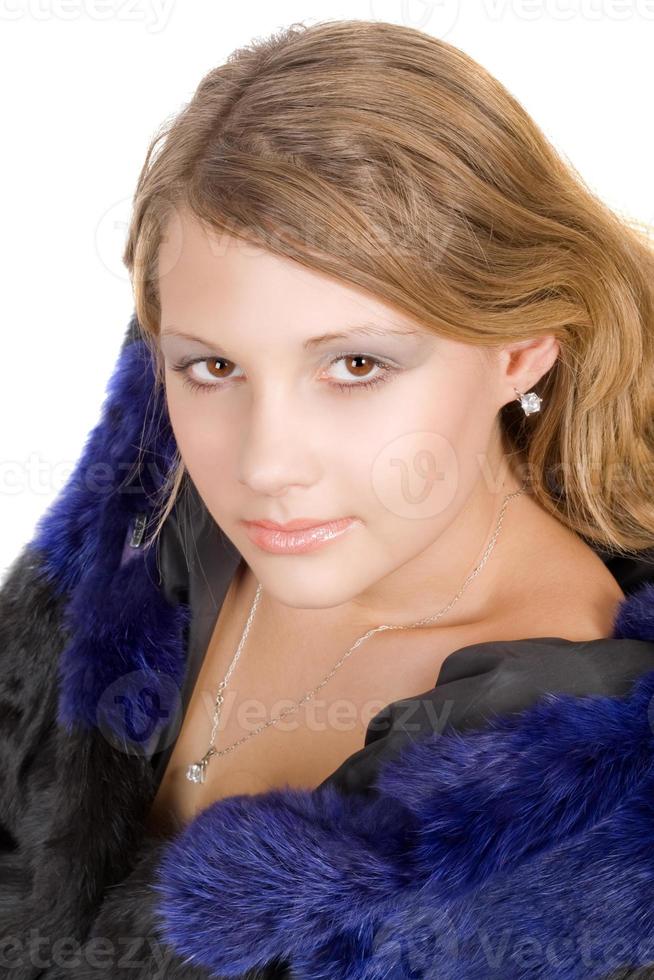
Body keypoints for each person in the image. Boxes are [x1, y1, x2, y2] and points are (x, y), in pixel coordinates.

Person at [2, 17, 654, 980]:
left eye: (355, 364)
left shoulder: (564, 812)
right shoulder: (145, 524)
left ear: (519, 350)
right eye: (215, 365)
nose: (266, 464)